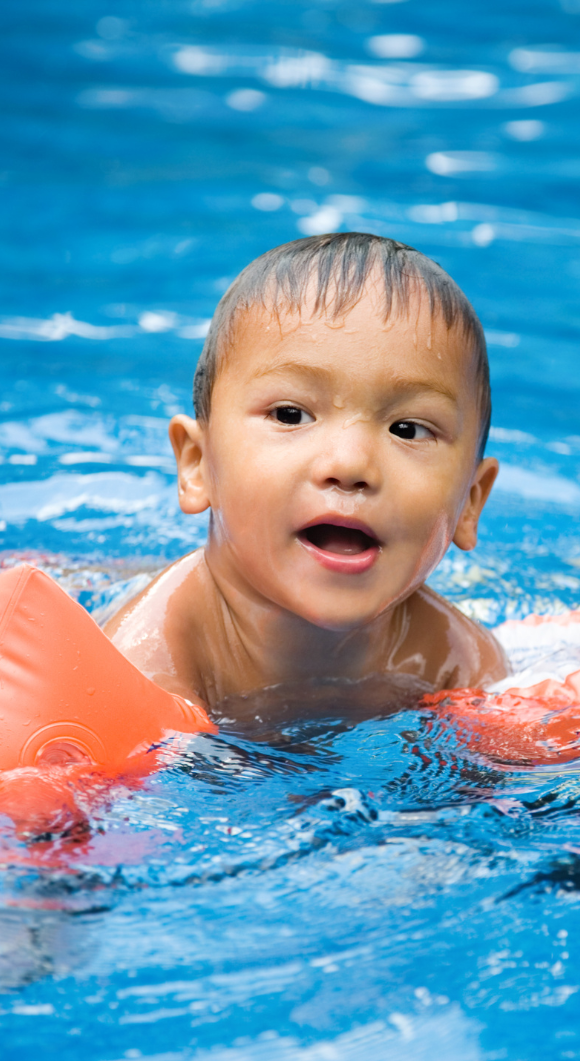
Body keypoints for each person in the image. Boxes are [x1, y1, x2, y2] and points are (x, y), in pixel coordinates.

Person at [100, 232, 506, 723]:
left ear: (470, 502)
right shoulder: (150, 653)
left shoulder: (456, 659)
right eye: (291, 415)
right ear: (197, 465)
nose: (350, 465)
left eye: (407, 429)